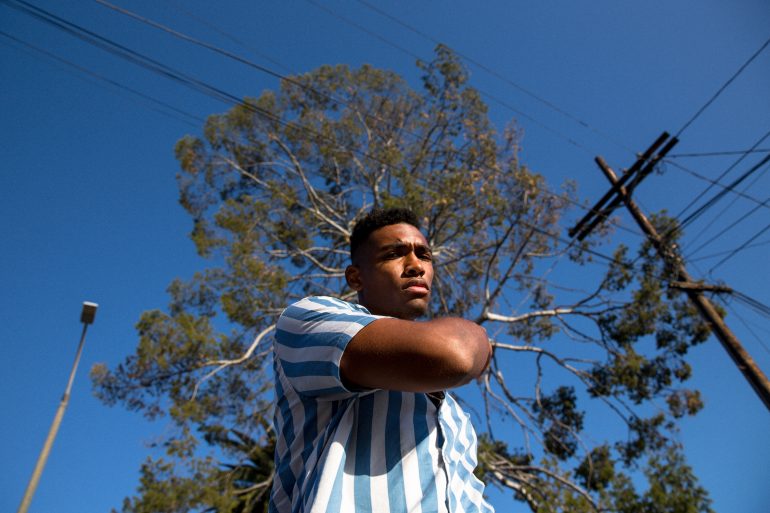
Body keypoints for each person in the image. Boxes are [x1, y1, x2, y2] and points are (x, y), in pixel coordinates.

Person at [270, 207, 494, 513]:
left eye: (424, 255)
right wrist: (478, 338)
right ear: (356, 277)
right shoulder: (309, 319)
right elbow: (456, 354)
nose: (416, 266)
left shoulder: (454, 418)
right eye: (395, 254)